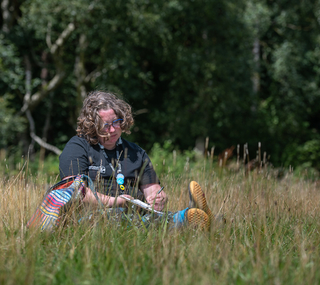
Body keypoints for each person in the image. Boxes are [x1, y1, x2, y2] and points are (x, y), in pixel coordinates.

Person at [58, 90, 213, 229]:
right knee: (119, 220)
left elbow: (153, 189)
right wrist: (116, 201)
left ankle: (201, 218)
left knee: (146, 219)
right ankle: (187, 217)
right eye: (105, 126)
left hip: (136, 213)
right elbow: (76, 192)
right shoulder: (77, 147)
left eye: (116, 123)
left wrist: (158, 198)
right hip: (93, 216)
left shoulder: (136, 152)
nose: (112, 130)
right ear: (92, 125)